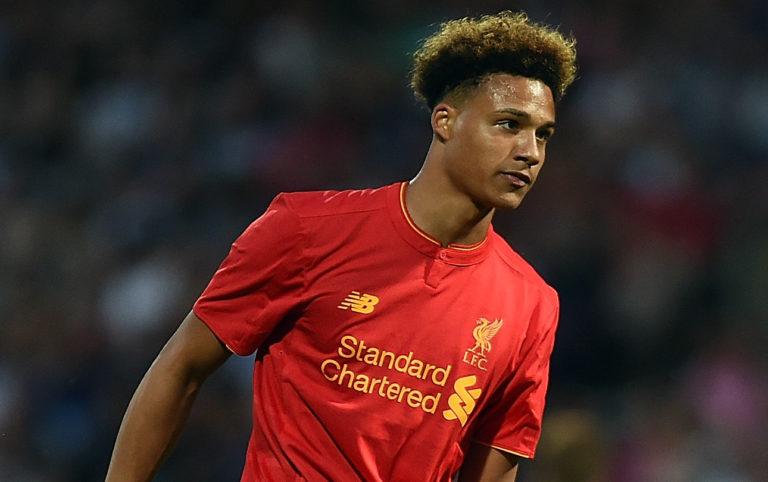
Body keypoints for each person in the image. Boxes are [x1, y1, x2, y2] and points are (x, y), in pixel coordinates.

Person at [106, 10, 577, 482]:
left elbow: (493, 468)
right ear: (445, 121)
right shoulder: (305, 229)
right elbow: (181, 369)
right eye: (508, 124)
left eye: (543, 134)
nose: (530, 152)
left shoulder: (532, 305)